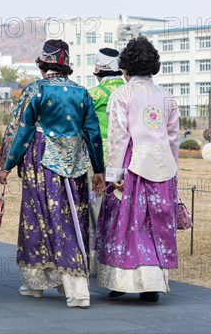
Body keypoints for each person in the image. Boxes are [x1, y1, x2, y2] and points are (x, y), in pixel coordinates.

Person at [0, 39, 105, 308]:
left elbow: (21, 130)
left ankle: (42, 284)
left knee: (38, 216)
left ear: (43, 63)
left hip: (41, 161)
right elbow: (94, 134)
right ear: (66, 64)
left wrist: (5, 164)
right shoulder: (82, 93)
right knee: (73, 218)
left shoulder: (36, 90)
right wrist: (99, 169)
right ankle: (69, 284)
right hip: (75, 163)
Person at [97, 36, 180, 303]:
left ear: (125, 67)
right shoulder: (167, 98)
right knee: (157, 225)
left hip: (132, 165)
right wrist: (173, 170)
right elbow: (173, 139)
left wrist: (114, 174)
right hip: (163, 167)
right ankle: (153, 284)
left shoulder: (122, 94)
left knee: (129, 225)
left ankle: (123, 281)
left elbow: (118, 137)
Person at [86, 48, 124, 272]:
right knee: (122, 208)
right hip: (128, 157)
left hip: (98, 158)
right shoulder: (130, 91)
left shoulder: (93, 94)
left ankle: (97, 262)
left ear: (98, 68)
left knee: (96, 208)